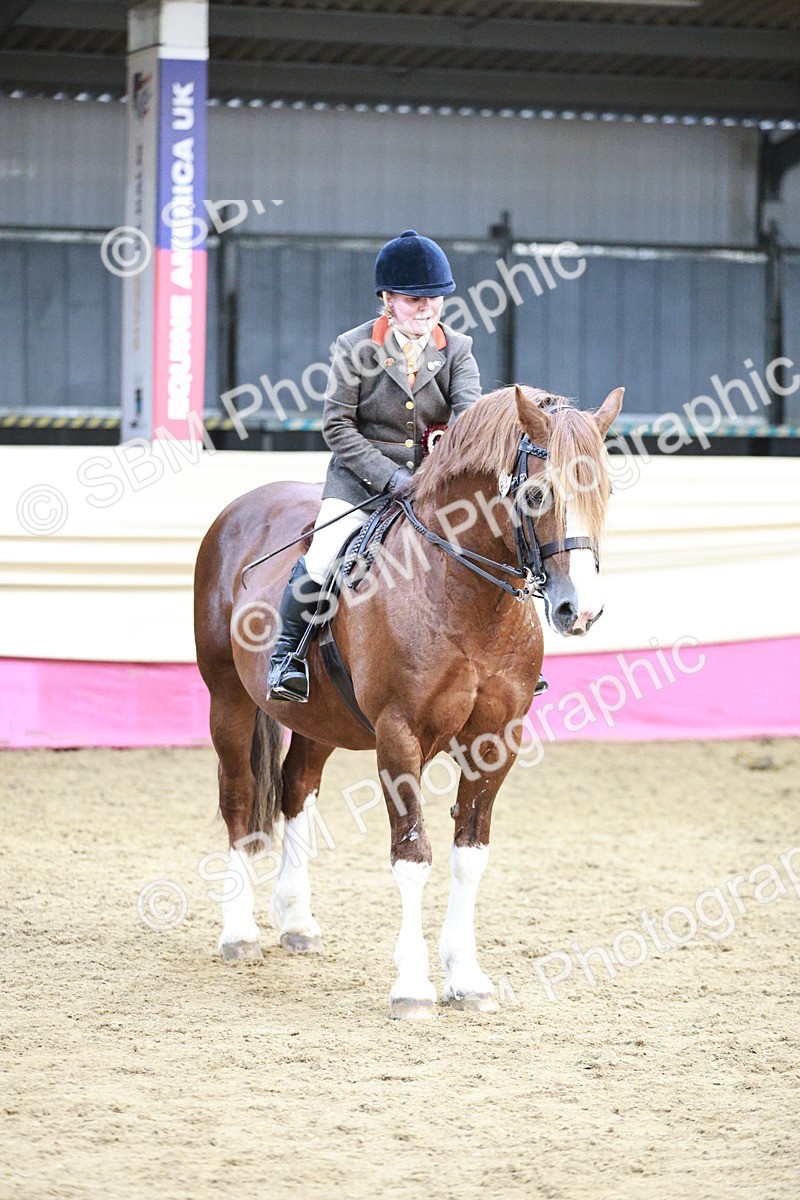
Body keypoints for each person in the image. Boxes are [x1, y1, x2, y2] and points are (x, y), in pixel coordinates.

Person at [266, 229, 482, 702]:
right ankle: (288, 655)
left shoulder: (458, 348)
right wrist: (392, 477)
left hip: (433, 484)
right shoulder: (354, 347)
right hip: (361, 483)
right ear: (387, 299)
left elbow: (469, 420)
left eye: (434, 299)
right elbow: (337, 427)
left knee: (493, 541)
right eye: (412, 300)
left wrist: (433, 476)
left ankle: (502, 659)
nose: (426, 309)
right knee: (325, 554)